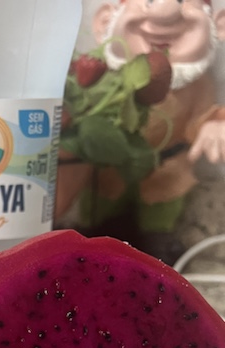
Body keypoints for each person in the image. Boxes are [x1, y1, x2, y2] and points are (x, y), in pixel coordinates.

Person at [56, 0, 225, 264]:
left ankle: (158, 241)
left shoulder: (198, 88)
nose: (165, 12)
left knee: (160, 216)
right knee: (97, 213)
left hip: (166, 171)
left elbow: (204, 115)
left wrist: (214, 124)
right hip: (107, 171)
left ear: (218, 25)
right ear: (105, 21)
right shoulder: (107, 75)